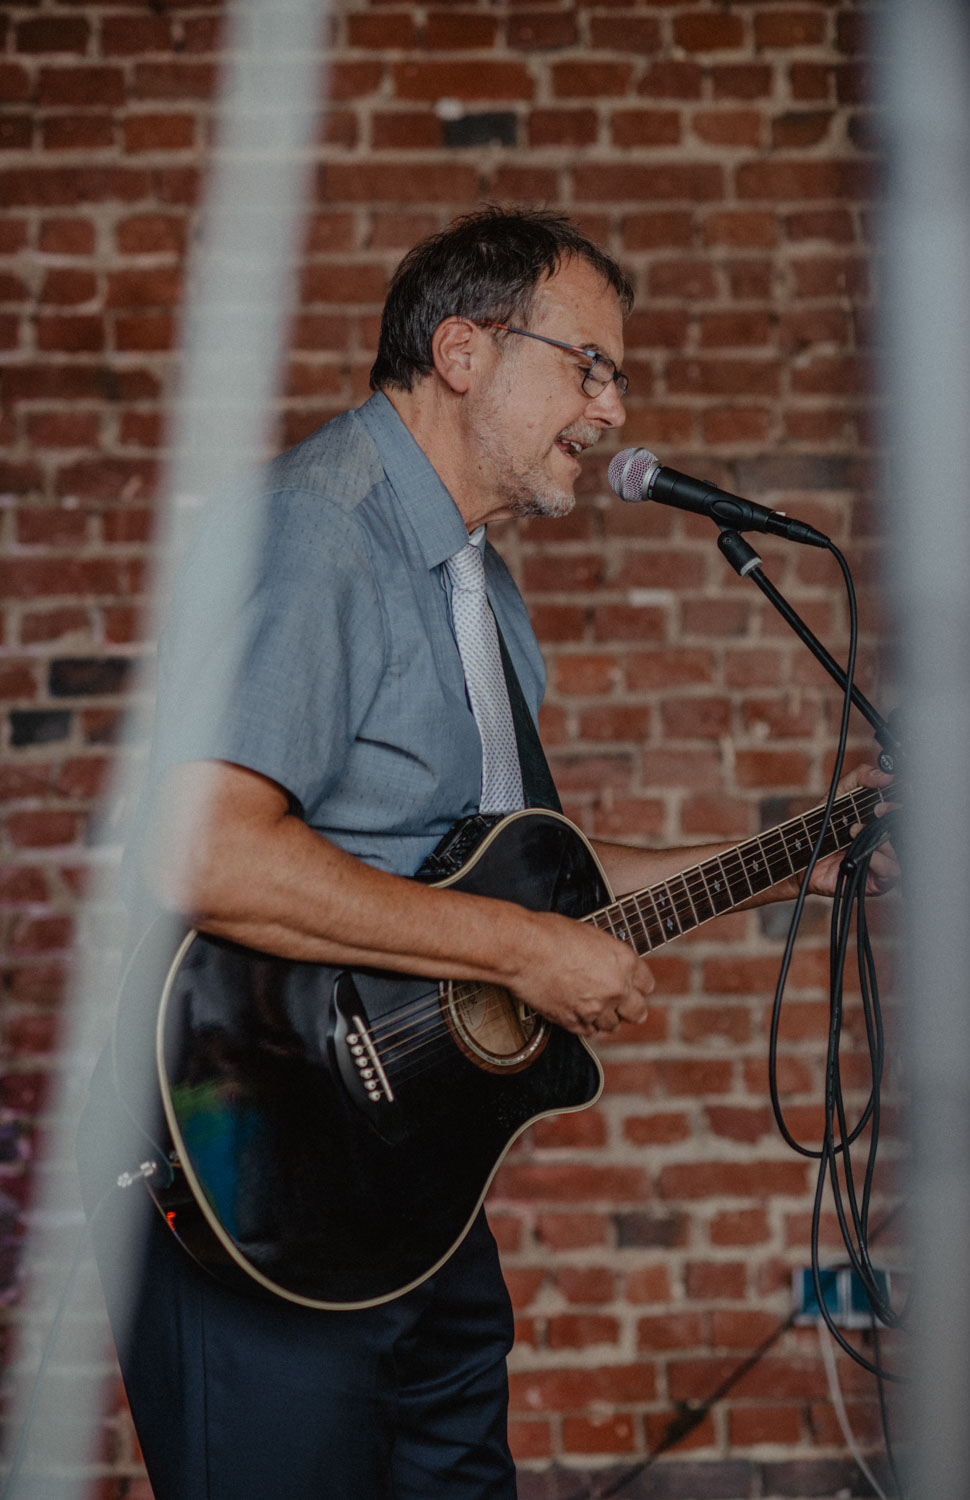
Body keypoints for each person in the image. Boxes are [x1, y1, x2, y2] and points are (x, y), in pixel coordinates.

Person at [78, 207, 892, 1500]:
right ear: (464, 351)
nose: (612, 411)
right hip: (261, 1189)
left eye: (616, 377)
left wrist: (788, 857)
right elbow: (208, 852)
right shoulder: (317, 531)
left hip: (411, 1202)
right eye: (590, 366)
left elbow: (528, 873)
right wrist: (521, 951)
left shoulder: (478, 586)